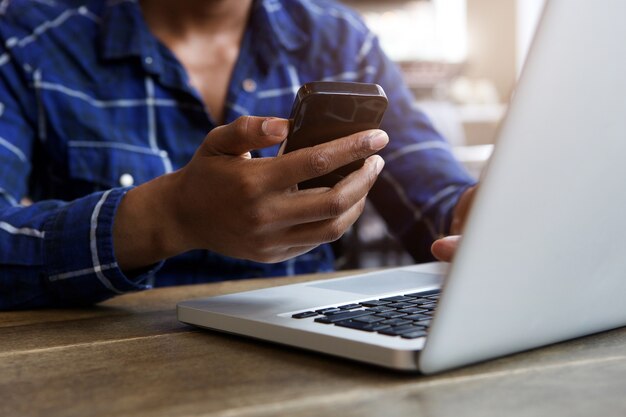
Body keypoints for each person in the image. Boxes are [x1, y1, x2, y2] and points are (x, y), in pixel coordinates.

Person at [0, 0, 476, 310]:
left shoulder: (341, 39)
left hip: (314, 346)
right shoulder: (27, 42)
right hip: (104, 362)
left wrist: (474, 218)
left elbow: (432, 192)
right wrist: (168, 218)